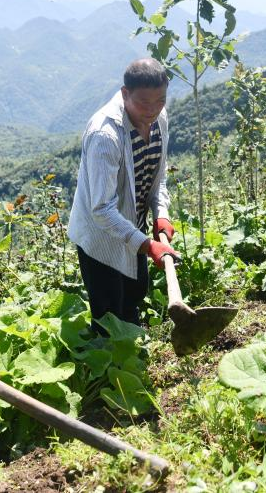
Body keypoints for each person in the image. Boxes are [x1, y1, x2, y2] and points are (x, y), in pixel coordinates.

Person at [67, 58, 178, 334]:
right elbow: (102, 210)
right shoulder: (105, 135)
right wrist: (149, 246)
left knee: (133, 296)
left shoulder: (159, 119)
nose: (152, 110)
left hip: (133, 227)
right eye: (144, 103)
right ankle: (107, 370)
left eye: (160, 100)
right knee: (108, 314)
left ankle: (132, 357)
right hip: (100, 239)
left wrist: (161, 212)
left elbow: (158, 174)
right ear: (125, 93)